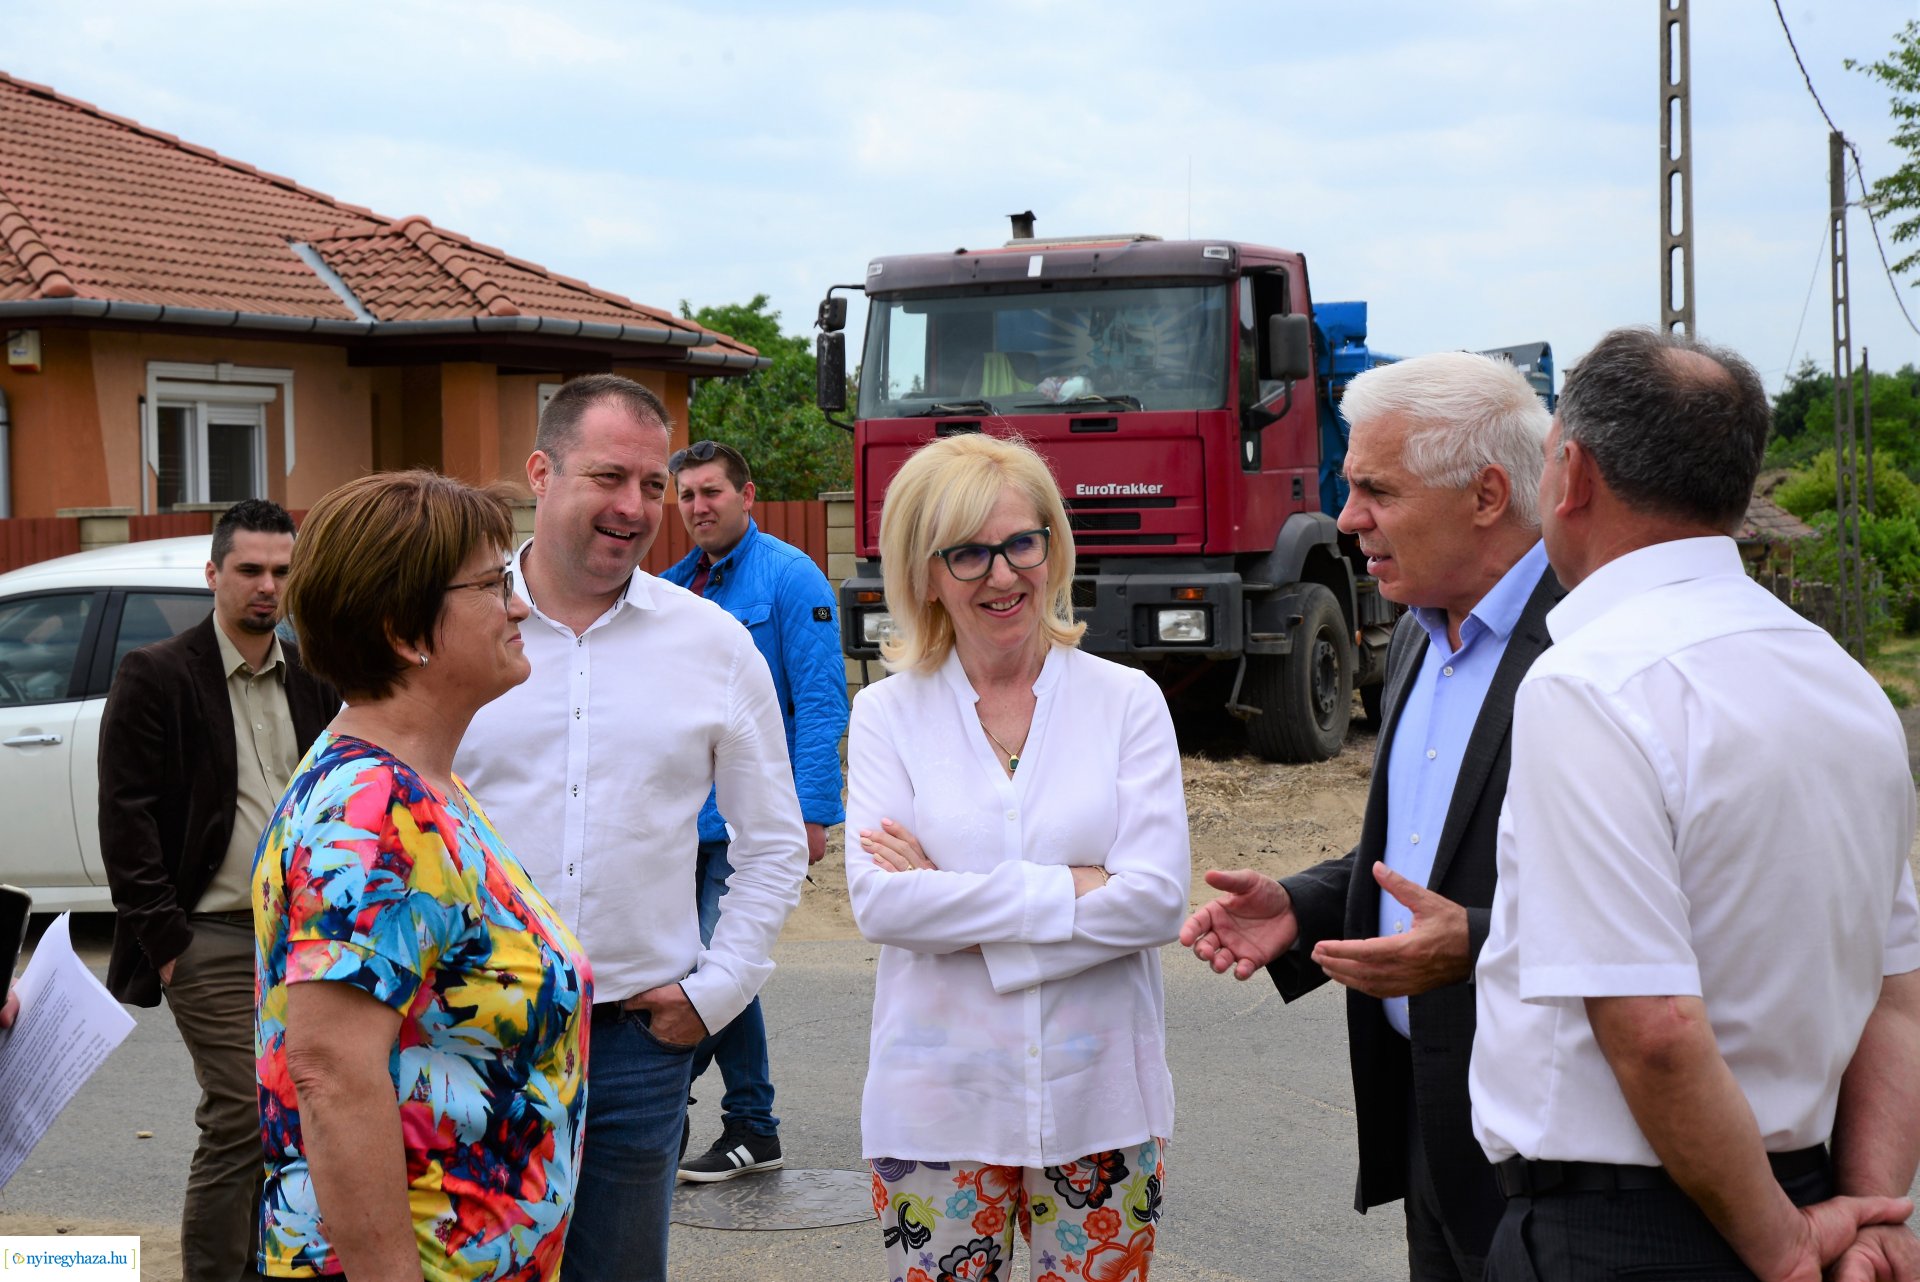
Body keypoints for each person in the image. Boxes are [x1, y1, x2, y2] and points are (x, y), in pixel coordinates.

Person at [1470, 327, 1920, 1282]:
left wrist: (1783, 1245)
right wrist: (1874, 1214)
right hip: (1808, 1199)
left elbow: (1656, 1027)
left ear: (1573, 474)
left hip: (1630, 1233)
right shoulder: (1844, 683)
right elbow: (1898, 998)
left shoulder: (1589, 684)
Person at [1180, 351, 1555, 1281]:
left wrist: (1473, 941)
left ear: (1486, 493)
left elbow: (1674, 913)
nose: (1348, 521)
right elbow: (1431, 847)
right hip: (1436, 1131)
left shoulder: (1586, 646)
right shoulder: (1429, 634)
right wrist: (1305, 908)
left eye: (1376, 490)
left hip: (1557, 1159)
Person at [456, 375, 808, 1282]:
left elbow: (770, 846)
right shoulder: (453, 625)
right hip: (466, 1041)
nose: (635, 507)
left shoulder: (713, 644)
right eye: (609, 477)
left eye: (653, 486)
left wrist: (717, 991)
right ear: (540, 471)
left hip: (636, 1051)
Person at [845, 432, 1189, 1282]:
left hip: (1101, 1101)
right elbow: (881, 906)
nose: (1002, 576)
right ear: (925, 574)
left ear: (1052, 547)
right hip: (935, 1108)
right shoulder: (888, 714)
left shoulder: (1126, 702)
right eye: (967, 554)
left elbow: (1154, 904)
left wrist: (950, 899)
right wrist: (1079, 887)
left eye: (1020, 544)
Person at [253, 470, 590, 1282]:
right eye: (492, 583)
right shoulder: (371, 811)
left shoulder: (426, 789)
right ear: (406, 631)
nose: (518, 604)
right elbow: (331, 1073)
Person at [97, 498, 337, 1282]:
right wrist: (166, 943)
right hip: (210, 934)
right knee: (241, 1109)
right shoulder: (157, 674)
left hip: (302, 938)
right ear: (213, 574)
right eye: (249, 570)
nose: (267, 586)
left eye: (280, 571)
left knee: (306, 1111)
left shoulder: (313, 678)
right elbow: (125, 818)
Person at [662, 439, 849, 1182]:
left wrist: (811, 815)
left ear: (749, 495)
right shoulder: (675, 586)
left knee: (715, 966)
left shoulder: (789, 577)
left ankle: (658, 1104)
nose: (699, 507)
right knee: (717, 965)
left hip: (754, 821)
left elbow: (820, 700)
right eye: (687, 496)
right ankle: (753, 1126)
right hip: (686, 822)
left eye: (712, 492)